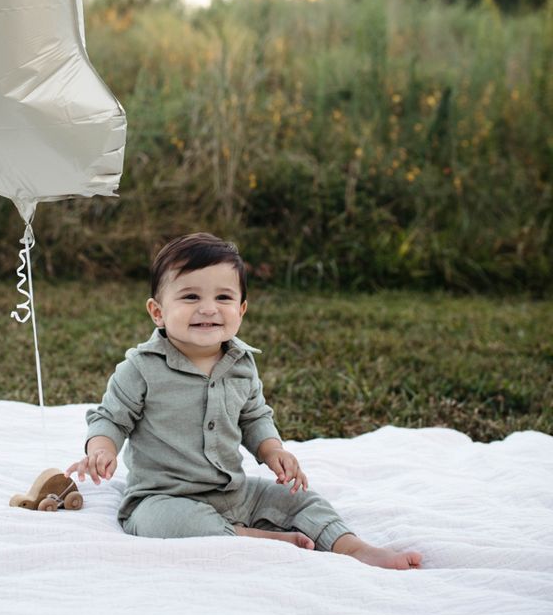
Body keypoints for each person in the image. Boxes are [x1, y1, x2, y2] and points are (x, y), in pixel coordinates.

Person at [65, 232, 422, 569]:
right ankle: (251, 537)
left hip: (234, 493)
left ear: (242, 310)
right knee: (162, 523)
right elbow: (110, 418)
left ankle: (353, 547)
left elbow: (254, 417)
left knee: (300, 500)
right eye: (191, 297)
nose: (208, 309)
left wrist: (273, 451)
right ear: (157, 311)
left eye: (223, 298)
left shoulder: (241, 365)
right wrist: (102, 450)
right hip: (164, 497)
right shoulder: (141, 367)